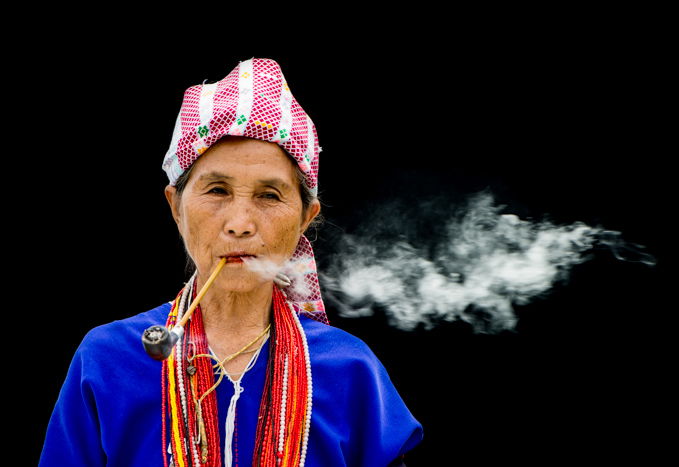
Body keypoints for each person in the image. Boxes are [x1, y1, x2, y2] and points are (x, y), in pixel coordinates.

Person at [39, 57, 423, 466]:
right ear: (176, 207)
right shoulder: (108, 360)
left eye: (270, 196)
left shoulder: (351, 372)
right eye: (217, 190)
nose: (240, 224)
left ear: (304, 219)